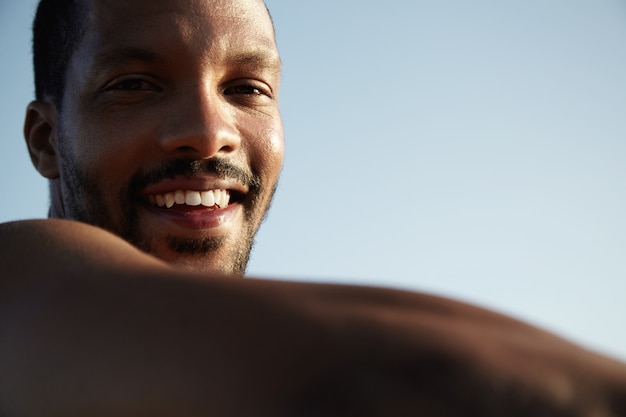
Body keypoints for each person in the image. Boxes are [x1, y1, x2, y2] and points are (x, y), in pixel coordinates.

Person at [0, 0, 624, 415]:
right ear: (46, 140)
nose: (207, 129)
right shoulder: (17, 279)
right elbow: (411, 378)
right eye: (134, 85)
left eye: (247, 88)